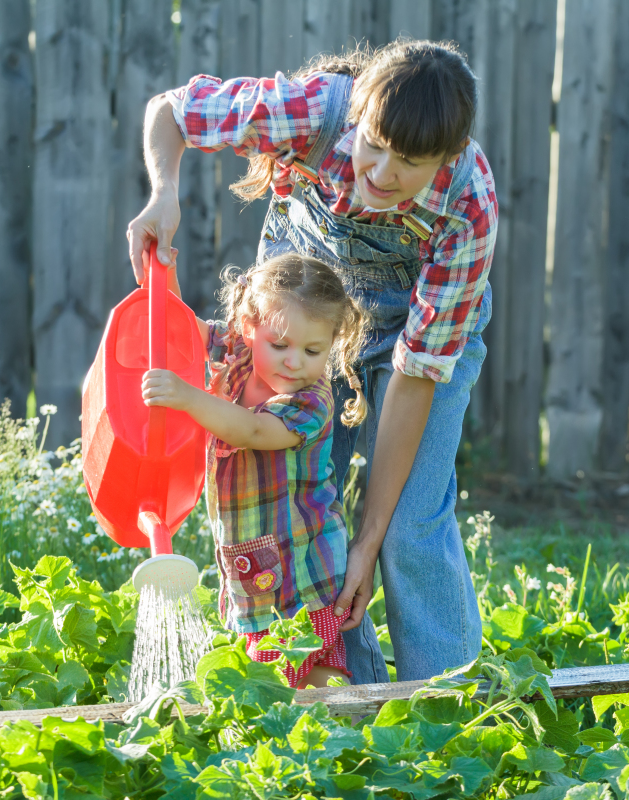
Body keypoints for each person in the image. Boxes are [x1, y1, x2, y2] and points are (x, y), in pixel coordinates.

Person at [128, 39, 498, 684]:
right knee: (295, 504)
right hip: (308, 326)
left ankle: (449, 704)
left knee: (409, 527)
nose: (381, 173)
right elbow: (174, 110)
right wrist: (163, 193)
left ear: (449, 157)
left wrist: (370, 535)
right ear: (358, 114)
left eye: (409, 163)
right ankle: (342, 700)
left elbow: (414, 374)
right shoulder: (311, 113)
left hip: (418, 342)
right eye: (374, 145)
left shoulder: (468, 207)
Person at [141, 253, 368, 688]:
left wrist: (189, 398)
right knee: (267, 679)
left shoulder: (311, 402)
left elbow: (252, 429)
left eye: (312, 350)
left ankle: (343, 735)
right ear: (249, 327)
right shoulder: (240, 354)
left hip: (304, 572)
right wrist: (167, 269)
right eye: (279, 345)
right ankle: (290, 744)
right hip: (254, 563)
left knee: (311, 671)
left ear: (333, 343)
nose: (294, 361)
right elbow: (179, 333)